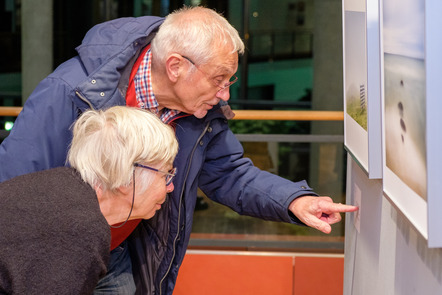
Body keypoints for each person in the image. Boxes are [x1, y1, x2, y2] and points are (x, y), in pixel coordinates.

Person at [0, 6, 358, 295]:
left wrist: (294, 200)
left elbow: (229, 173)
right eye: (219, 79)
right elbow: (14, 190)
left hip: (120, 252)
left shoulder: (200, 111)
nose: (226, 94)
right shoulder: (69, 91)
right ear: (175, 66)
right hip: (57, 256)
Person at [0, 106, 178, 294]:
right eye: (165, 175)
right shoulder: (81, 228)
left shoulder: (65, 190)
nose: (170, 187)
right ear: (127, 176)